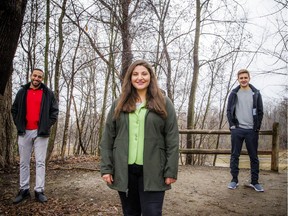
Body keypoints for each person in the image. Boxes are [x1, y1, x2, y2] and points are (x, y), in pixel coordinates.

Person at [100, 59, 179, 216]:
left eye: (144, 73)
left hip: (154, 169)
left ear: (151, 77)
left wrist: (171, 170)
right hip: (125, 170)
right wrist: (106, 168)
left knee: (152, 212)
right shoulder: (119, 103)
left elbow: (172, 138)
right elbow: (108, 138)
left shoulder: (164, 102)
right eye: (135, 74)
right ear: (130, 78)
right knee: (130, 213)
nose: (140, 78)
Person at [11, 68, 59, 203]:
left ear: (42, 79)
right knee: (23, 162)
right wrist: (18, 124)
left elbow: (54, 112)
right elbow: (14, 110)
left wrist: (46, 125)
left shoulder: (48, 93)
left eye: (39, 77)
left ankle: (39, 190)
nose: (36, 78)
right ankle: (24, 190)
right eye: (35, 75)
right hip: (24, 131)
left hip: (41, 133)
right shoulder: (22, 92)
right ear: (31, 76)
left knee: (40, 162)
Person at [226, 69, 264, 192]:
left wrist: (257, 127)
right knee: (234, 156)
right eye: (241, 78)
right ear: (238, 79)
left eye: (245, 77)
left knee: (254, 157)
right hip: (237, 130)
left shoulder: (256, 93)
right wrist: (232, 126)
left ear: (249, 78)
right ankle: (234, 180)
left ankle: (255, 182)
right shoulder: (233, 93)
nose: (243, 80)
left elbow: (260, 111)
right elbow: (228, 111)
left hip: (251, 130)